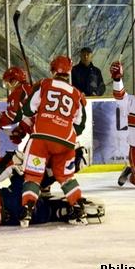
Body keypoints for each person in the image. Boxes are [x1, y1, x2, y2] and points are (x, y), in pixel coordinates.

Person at [18, 55, 88, 227]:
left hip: (41, 139)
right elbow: (80, 126)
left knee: (33, 176)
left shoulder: (44, 85)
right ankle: (79, 209)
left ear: (52, 70)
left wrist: (38, 110)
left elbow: (27, 110)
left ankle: (27, 211)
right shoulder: (77, 94)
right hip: (66, 142)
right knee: (66, 177)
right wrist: (63, 129)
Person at [0, 151, 104, 226]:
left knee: (45, 213)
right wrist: (11, 164)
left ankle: (63, 212)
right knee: (30, 177)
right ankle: (67, 167)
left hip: (11, 220)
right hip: (10, 201)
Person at [0, 66, 33, 148]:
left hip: (42, 135)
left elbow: (11, 117)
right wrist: (19, 132)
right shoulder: (30, 88)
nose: (9, 88)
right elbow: (30, 117)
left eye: (7, 84)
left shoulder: (18, 92)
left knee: (27, 159)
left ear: (14, 81)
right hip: (52, 130)